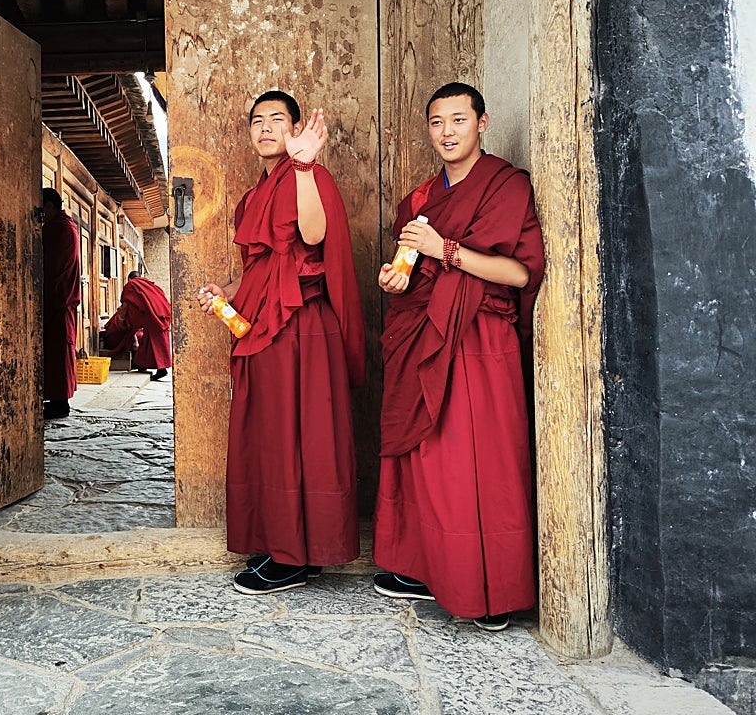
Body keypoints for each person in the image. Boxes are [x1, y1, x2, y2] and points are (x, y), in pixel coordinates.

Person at [372, 82, 545, 632]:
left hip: (480, 340)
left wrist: (443, 250)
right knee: (434, 459)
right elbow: (410, 270)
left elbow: (518, 272)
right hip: (428, 334)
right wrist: (396, 280)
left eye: (458, 120)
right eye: (437, 123)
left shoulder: (505, 186)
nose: (447, 133)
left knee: (484, 463)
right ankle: (434, 569)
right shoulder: (422, 200)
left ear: (483, 124)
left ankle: (491, 590)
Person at [196, 90, 366, 595]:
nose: (265, 127)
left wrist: (307, 169)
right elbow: (259, 269)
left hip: (304, 328)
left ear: (295, 130)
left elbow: (314, 237)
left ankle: (294, 557)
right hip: (264, 327)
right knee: (273, 436)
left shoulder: (307, 177)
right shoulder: (254, 196)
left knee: (303, 435)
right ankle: (289, 547)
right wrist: (225, 294)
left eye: (277, 120)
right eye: (257, 121)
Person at [41, 187, 82, 419]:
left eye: (42, 209)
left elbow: (50, 265)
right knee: (57, 352)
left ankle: (59, 402)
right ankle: (56, 400)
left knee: (57, 352)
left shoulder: (58, 228)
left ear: (49, 206)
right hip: (61, 297)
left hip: (58, 298)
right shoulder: (67, 227)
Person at [103, 271, 172, 380]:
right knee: (151, 343)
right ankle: (143, 365)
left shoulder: (132, 285)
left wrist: (121, 319)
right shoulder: (151, 285)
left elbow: (126, 305)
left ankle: (161, 369)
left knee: (155, 343)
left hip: (152, 317)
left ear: (130, 279)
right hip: (162, 315)